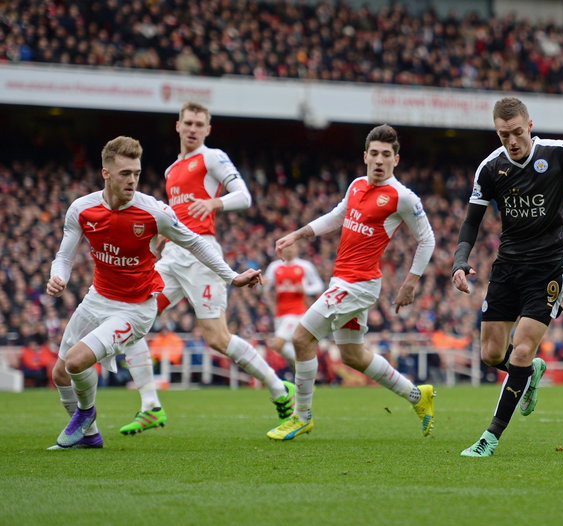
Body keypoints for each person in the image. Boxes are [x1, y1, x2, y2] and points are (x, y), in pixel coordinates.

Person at [47, 136, 262, 449]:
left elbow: (196, 241)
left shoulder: (154, 211)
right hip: (97, 299)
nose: (132, 180)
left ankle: (85, 413)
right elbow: (64, 256)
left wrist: (232, 276)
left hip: (135, 308)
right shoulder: (82, 209)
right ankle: (90, 435)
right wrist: (58, 277)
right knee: (60, 374)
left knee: (76, 362)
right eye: (124, 173)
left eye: (136, 172)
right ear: (106, 173)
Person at [451, 97, 563, 457]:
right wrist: (460, 261)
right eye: (503, 135)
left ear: (529, 125)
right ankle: (530, 372)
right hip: (507, 266)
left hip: (548, 266)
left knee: (523, 348)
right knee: (491, 354)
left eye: (516, 132)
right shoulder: (489, 168)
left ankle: (491, 436)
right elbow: (471, 222)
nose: (511, 141)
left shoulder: (557, 153)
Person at [119, 102, 296, 436]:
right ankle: (150, 406)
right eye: (188, 122)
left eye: (199, 123)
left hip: (201, 255)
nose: (193, 128)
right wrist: (157, 240)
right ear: (178, 125)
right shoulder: (172, 170)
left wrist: (214, 202)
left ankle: (277, 387)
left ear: (207, 129)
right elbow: (175, 215)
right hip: (171, 256)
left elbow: (244, 196)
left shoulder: (212, 157)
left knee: (217, 337)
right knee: (131, 319)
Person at [267, 124, 436, 441]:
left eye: (386, 155)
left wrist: (411, 282)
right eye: (374, 154)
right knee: (352, 356)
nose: (379, 160)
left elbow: (427, 239)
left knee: (302, 339)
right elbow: (336, 216)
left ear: (396, 160)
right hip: (343, 281)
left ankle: (301, 416)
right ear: (365, 156)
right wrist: (298, 234)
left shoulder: (402, 197)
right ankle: (418, 396)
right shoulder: (357, 185)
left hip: (358, 285)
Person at [264, 242, 324, 366]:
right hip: (280, 313)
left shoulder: (305, 266)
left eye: (292, 247)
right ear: (281, 250)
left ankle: (306, 365)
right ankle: (303, 371)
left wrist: (305, 289)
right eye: (286, 248)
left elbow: (319, 285)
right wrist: (263, 288)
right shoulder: (274, 267)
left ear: (297, 248)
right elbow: (265, 289)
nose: (289, 250)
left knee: (277, 344)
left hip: (297, 312)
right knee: (284, 348)